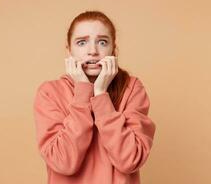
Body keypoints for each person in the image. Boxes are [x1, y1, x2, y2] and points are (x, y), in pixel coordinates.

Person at [33, 10, 156, 184]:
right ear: (69, 50)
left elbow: (130, 160)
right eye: (82, 42)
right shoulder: (50, 92)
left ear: (113, 49)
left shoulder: (132, 88)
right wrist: (83, 92)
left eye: (102, 42)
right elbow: (63, 162)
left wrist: (101, 95)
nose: (93, 51)